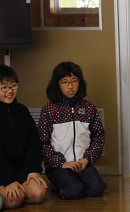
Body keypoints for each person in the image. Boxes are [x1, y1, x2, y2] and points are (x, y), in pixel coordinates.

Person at [0, 64, 47, 209]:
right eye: (3, 87)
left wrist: (33, 169)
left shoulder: (22, 110)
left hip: (18, 168)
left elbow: (34, 142)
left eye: (13, 85)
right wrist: (8, 180)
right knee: (13, 200)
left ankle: (19, 190)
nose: (10, 91)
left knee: (38, 194)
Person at [38, 62, 107, 200]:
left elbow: (98, 137)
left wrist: (87, 159)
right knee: (73, 192)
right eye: (65, 82)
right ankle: (61, 183)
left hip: (82, 163)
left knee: (97, 188)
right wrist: (60, 163)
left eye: (74, 81)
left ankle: (75, 181)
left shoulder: (89, 108)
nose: (70, 86)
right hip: (59, 165)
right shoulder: (49, 110)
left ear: (79, 82)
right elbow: (42, 142)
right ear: (57, 84)